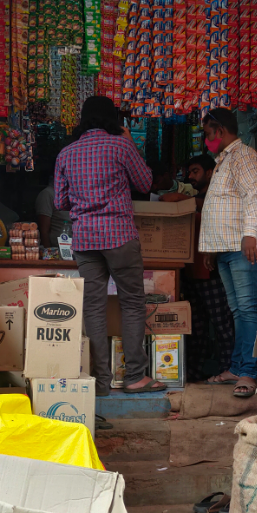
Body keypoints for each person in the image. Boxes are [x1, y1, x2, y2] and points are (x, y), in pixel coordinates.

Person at [54, 96, 166, 395]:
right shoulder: (121, 146)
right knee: (131, 304)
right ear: (114, 119)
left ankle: (100, 383)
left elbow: (60, 202)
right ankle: (134, 377)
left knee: (93, 308)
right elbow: (145, 184)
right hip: (118, 235)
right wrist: (130, 141)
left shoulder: (66, 153)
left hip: (85, 239)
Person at [199, 108, 257, 398]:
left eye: (207, 133)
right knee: (238, 311)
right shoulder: (223, 161)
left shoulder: (244, 156)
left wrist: (251, 233)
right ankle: (238, 367)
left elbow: (255, 195)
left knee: (248, 309)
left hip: (243, 246)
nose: (206, 139)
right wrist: (211, 249)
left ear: (220, 130)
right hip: (226, 247)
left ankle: (249, 373)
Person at [182, 154, 235, 382]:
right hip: (193, 272)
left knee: (222, 324)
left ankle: (229, 369)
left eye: (195, 171)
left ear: (210, 172)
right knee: (197, 328)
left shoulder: (215, 197)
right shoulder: (197, 197)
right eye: (190, 172)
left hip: (211, 270)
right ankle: (194, 373)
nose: (190, 176)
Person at [35, 175, 70, 247]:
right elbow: (44, 230)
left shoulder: (73, 194)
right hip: (58, 248)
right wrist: (48, 252)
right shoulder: (48, 194)